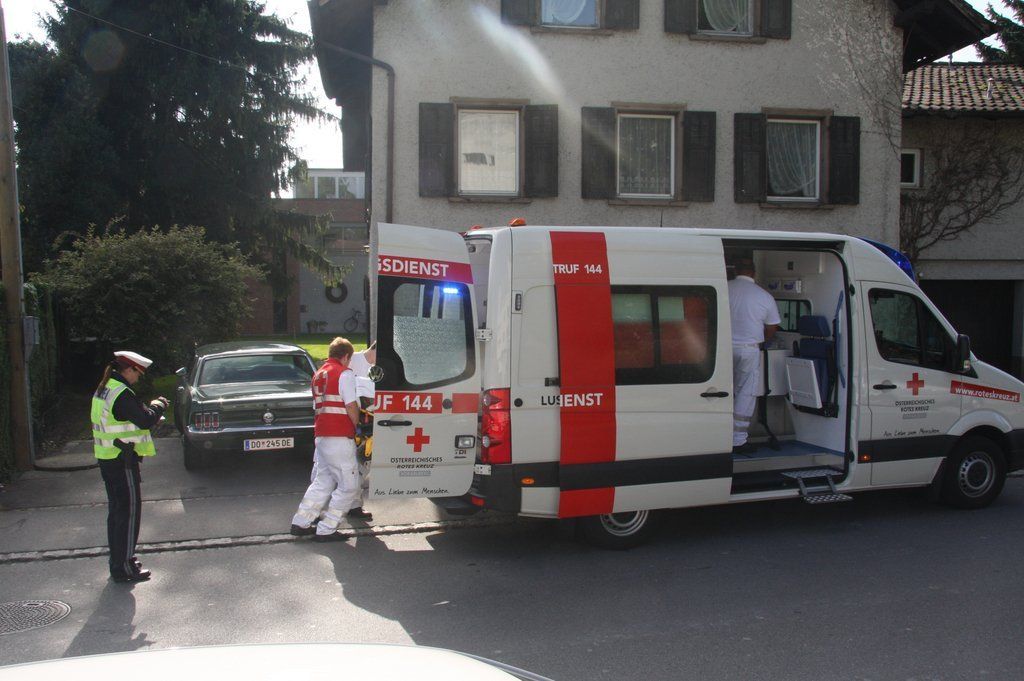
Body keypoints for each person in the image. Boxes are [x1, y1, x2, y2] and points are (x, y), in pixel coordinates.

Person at [92, 350, 168, 583]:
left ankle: (119, 563)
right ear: (129, 369)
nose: (138, 378)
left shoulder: (105, 388)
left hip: (108, 457)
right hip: (122, 460)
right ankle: (125, 566)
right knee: (128, 512)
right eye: (138, 373)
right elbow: (144, 419)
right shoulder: (121, 393)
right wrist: (158, 406)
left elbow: (126, 418)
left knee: (117, 512)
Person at [290, 337, 362, 541]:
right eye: (349, 359)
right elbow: (350, 405)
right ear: (346, 356)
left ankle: (301, 522)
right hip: (339, 436)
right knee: (349, 486)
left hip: (322, 435)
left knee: (323, 481)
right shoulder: (344, 374)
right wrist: (357, 425)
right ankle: (327, 528)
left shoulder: (319, 374)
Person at [728, 256, 780, 455]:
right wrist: (763, 342)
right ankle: (738, 440)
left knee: (719, 392)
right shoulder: (764, 296)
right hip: (749, 350)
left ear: (735, 270)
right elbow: (772, 327)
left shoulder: (725, 289)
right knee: (745, 393)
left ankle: (717, 436)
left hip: (723, 350)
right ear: (754, 272)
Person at [345, 341, 376, 521]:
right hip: (351, 422)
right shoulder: (352, 360)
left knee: (361, 467)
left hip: (367, 423)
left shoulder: (377, 368)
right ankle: (351, 505)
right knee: (351, 468)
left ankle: (355, 505)